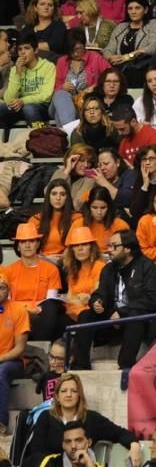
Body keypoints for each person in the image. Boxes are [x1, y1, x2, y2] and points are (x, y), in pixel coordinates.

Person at [73, 230, 156, 370]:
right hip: (113, 318)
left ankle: (126, 365)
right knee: (85, 316)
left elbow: (154, 300)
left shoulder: (148, 268)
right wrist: (97, 302)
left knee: (135, 316)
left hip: (140, 321)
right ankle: (80, 366)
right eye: (109, 246)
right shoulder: (108, 269)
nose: (109, 250)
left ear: (128, 249)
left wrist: (123, 312)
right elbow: (101, 292)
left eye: (114, 246)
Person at [103, 0, 156, 86]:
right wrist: (110, 57)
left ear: (146, 10)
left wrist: (128, 56)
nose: (133, 12)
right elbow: (108, 49)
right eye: (130, 9)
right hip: (121, 69)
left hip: (143, 69)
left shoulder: (155, 24)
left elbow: (154, 47)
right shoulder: (121, 27)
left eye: (137, 8)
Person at [1, 32, 55, 127]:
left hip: (41, 107)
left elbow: (46, 96)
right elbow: (8, 99)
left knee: (28, 108)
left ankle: (39, 137)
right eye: (20, 49)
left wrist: (23, 101)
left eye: (27, 48)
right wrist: (18, 73)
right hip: (18, 106)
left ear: (36, 50)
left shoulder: (48, 67)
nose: (23, 52)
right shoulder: (15, 69)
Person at [0, 271, 28, 433]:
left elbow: (19, 348)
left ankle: (1, 422)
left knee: (1, 372)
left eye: (2, 288)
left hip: (12, 361)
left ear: (8, 289)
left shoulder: (18, 310)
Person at [62, 226, 106, 323]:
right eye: (76, 245)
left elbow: (97, 296)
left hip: (91, 313)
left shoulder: (99, 266)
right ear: (72, 249)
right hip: (72, 312)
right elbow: (69, 298)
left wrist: (85, 299)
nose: (80, 249)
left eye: (84, 244)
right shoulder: (73, 270)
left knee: (84, 315)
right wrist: (79, 299)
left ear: (92, 247)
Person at [28, 179, 79, 260]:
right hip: (42, 261)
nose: (58, 198)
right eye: (54, 194)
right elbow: (27, 249)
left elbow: (80, 247)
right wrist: (45, 257)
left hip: (68, 262)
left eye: (62, 194)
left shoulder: (77, 218)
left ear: (67, 197)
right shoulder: (36, 219)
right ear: (48, 196)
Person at [76, 184, 130, 252]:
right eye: (94, 208)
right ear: (88, 207)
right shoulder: (79, 224)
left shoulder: (120, 225)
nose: (99, 212)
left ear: (109, 207)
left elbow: (127, 251)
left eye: (103, 208)